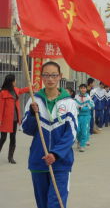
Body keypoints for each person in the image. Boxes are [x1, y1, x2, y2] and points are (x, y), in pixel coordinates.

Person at [22, 61, 78, 208]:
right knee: (42, 204)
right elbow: (26, 129)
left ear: (60, 76)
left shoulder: (69, 103)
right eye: (46, 75)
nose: (50, 79)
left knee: (55, 204)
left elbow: (71, 134)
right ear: (41, 77)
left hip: (60, 163)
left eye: (54, 75)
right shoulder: (35, 100)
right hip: (38, 161)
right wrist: (33, 115)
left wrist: (55, 154)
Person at [0, 74, 30, 164]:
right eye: (14, 80)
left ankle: (11, 157)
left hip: (14, 119)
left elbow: (22, 90)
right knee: (3, 138)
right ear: (11, 82)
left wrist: (31, 87)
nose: (15, 82)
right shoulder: (3, 93)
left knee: (13, 138)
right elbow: (1, 108)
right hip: (5, 120)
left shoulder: (15, 90)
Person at [75, 84, 94, 152]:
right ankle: (79, 141)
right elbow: (74, 105)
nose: (83, 89)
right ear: (79, 89)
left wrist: (82, 108)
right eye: (81, 88)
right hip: (78, 116)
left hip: (86, 116)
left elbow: (91, 106)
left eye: (84, 88)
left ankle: (82, 145)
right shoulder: (76, 97)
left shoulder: (88, 97)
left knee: (84, 130)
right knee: (77, 130)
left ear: (86, 89)